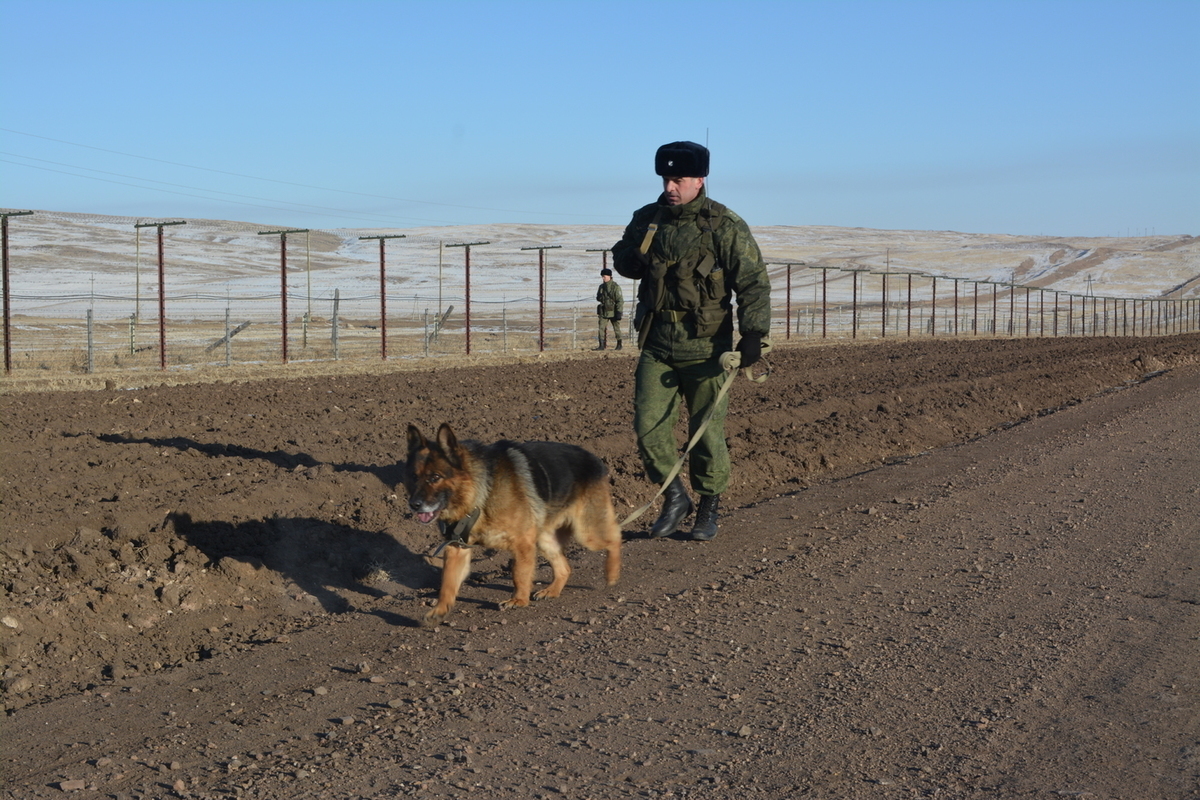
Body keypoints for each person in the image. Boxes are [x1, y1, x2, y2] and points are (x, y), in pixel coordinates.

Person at [611, 140, 772, 541]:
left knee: (707, 431)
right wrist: (631, 260)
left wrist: (753, 335)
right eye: (666, 179)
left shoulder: (724, 225)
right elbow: (623, 256)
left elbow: (752, 282)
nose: (671, 186)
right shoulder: (649, 219)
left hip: (706, 347)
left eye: (679, 179)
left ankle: (708, 506)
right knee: (649, 429)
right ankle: (675, 496)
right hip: (657, 342)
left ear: (700, 180)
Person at [594, 268, 624, 350]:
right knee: (601, 328)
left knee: (616, 328)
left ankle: (619, 344)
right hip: (604, 312)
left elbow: (620, 300)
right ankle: (601, 345)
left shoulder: (615, 287)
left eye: (604, 276)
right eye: (602, 276)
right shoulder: (601, 287)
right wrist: (599, 297)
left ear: (609, 276)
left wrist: (619, 311)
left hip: (613, 311)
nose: (603, 278)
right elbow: (598, 297)